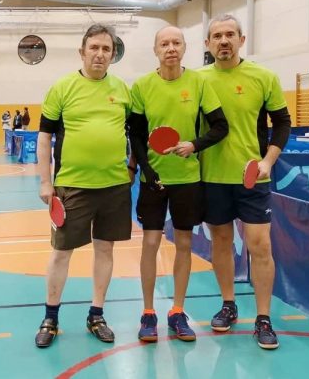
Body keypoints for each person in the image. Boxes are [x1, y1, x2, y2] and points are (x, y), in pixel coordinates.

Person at [34, 24, 133, 348]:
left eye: (107, 49)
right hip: (72, 185)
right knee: (61, 251)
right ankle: (50, 317)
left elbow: (135, 134)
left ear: (112, 54)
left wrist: (132, 168)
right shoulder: (63, 88)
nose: (100, 54)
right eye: (95, 48)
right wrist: (45, 181)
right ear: (82, 51)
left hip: (115, 186)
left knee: (105, 249)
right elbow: (45, 136)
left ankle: (96, 314)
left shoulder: (122, 89)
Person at [128, 26, 229, 343]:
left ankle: (177, 311)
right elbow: (137, 134)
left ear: (185, 48)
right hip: (153, 181)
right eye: (164, 43)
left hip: (188, 179)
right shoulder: (143, 86)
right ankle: (148, 312)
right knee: (150, 243)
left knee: (184, 244)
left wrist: (194, 146)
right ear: (155, 50)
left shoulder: (198, 82)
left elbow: (220, 126)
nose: (170, 48)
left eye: (176, 43)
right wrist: (146, 168)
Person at [197, 14, 292, 350]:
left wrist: (267, 161)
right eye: (216, 36)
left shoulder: (263, 76)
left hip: (252, 177)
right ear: (207, 44)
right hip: (211, 177)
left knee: (260, 245)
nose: (223, 41)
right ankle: (228, 303)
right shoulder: (197, 80)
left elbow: (282, 123)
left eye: (229, 35)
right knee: (221, 243)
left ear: (241, 39)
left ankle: (263, 318)